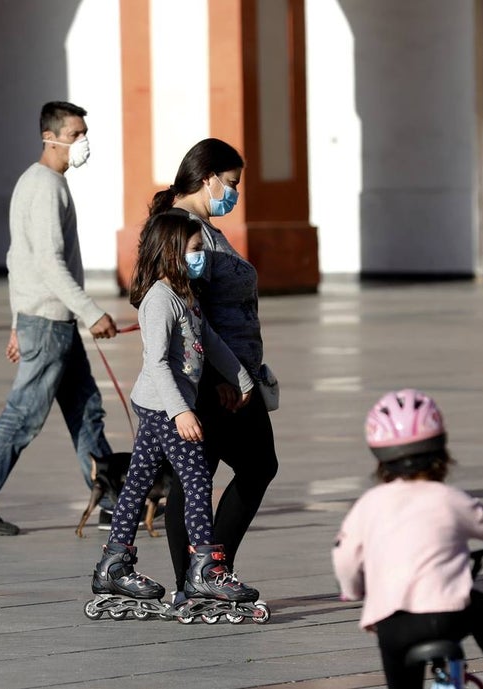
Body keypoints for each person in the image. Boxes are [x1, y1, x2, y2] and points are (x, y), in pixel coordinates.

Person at [0, 101, 119, 536]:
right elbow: (47, 263)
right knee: (23, 417)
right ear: (50, 136)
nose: (83, 142)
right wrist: (91, 312)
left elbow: (15, 260)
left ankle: (113, 502)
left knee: (86, 409)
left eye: (84, 133)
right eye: (75, 134)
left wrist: (15, 322)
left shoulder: (42, 183)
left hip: (46, 320)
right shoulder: (44, 186)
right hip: (49, 322)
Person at [90, 212, 259, 608]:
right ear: (171, 253)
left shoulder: (186, 293)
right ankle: (203, 571)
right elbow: (158, 363)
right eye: (196, 250)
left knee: (136, 484)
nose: (202, 256)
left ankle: (113, 564)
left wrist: (241, 378)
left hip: (160, 404)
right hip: (163, 406)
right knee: (198, 479)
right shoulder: (159, 300)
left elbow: (210, 340)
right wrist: (181, 412)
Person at [333, 389, 483, 689]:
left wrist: (351, 590)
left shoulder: (369, 503)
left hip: (394, 624)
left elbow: (346, 556)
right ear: (441, 449)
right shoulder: (451, 499)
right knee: (481, 607)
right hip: (450, 615)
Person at [147, 138, 280, 601]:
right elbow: (191, 311)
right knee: (252, 466)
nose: (235, 193)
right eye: (232, 183)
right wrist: (224, 376)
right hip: (217, 381)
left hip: (231, 373)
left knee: (200, 473)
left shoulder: (199, 225)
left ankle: (199, 575)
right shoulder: (185, 230)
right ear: (208, 179)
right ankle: (206, 572)